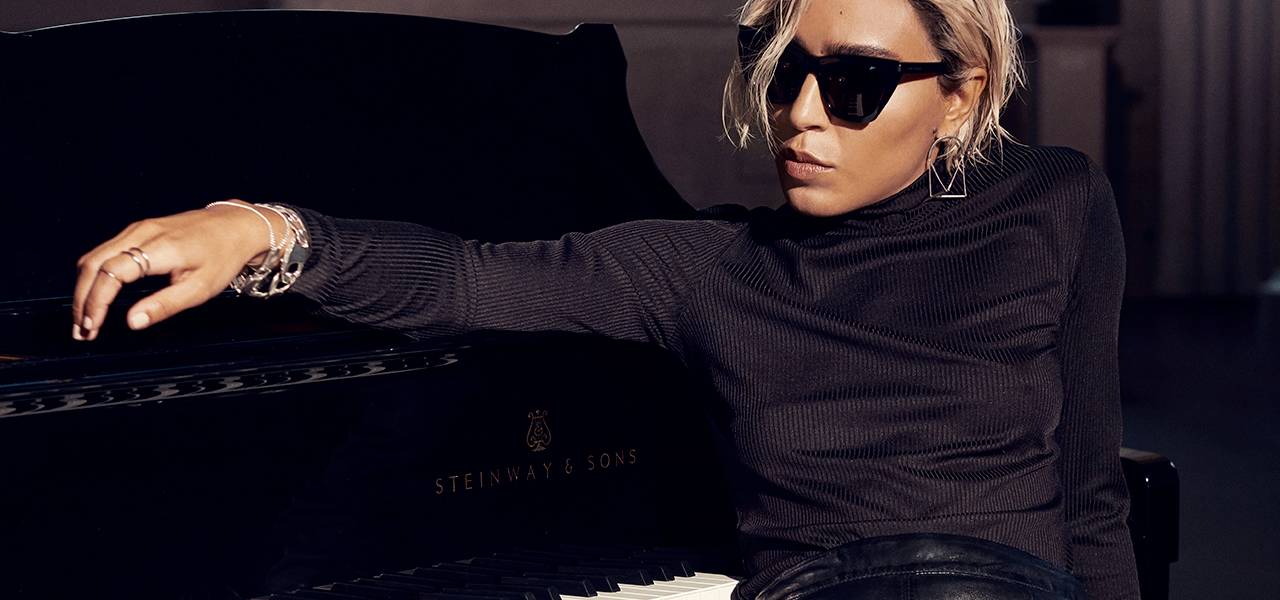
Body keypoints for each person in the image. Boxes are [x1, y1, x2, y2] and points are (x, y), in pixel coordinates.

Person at [70, 0, 1140, 598]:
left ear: (957, 96)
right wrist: (264, 230)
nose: (803, 116)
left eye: (855, 83)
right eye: (783, 74)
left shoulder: (1055, 201)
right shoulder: (705, 268)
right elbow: (463, 276)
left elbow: (1091, 492)